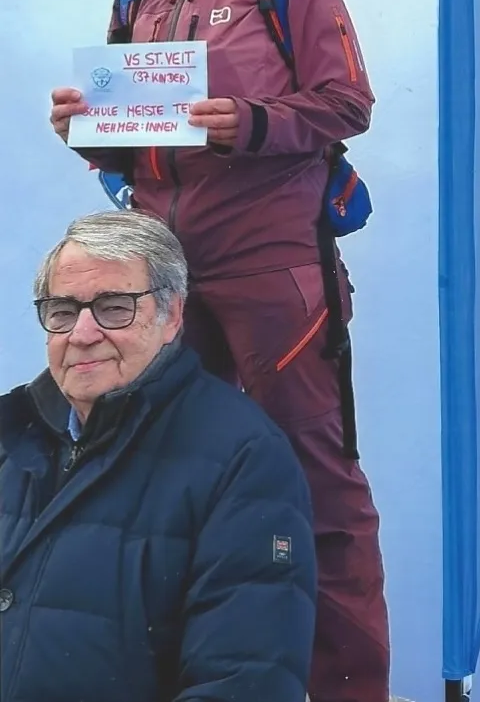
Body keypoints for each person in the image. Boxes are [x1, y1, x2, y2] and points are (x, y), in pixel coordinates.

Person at [50, 0, 390, 702]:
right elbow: (144, 154)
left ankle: (352, 687)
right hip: (161, 284)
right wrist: (93, 134)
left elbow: (347, 104)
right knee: (166, 485)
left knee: (316, 491)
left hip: (273, 272)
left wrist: (253, 122)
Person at [0, 210, 316, 702]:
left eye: (114, 307)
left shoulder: (244, 459)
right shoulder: (9, 433)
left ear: (171, 317)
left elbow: (246, 682)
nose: (82, 334)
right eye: (62, 310)